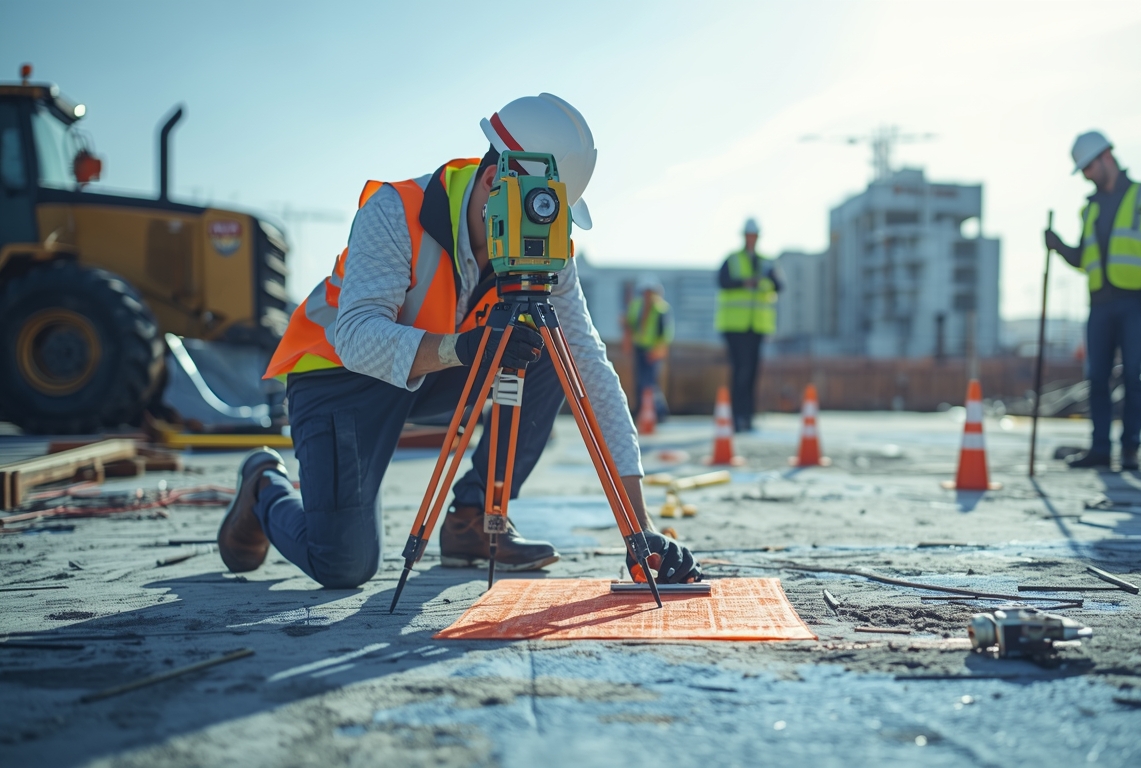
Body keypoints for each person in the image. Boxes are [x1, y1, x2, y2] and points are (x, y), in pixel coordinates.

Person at [216, 94, 700, 589]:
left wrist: (641, 530)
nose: (546, 228)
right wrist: (459, 349)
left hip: (437, 371)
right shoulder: (395, 213)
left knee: (554, 358)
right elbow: (357, 337)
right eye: (540, 210)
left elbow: (591, 370)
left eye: (552, 214)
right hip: (341, 378)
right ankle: (264, 486)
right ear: (494, 183)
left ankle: (473, 518)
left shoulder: (547, 252)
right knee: (343, 562)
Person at [1045, 130, 1141, 471]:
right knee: (1097, 378)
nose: (1087, 176)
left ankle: (1130, 450)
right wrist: (1059, 246)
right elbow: (1083, 259)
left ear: (1106, 157)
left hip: (1136, 303)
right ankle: (1100, 450)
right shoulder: (1090, 209)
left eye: (1088, 167)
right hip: (1100, 306)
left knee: (1133, 377)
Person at [714, 218, 782, 432]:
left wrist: (764, 281)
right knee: (740, 370)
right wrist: (744, 282)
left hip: (757, 326)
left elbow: (780, 285)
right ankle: (736, 416)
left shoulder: (766, 262)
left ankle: (748, 416)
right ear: (744, 236)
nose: (751, 239)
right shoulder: (733, 259)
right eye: (748, 235)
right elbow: (721, 281)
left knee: (752, 371)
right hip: (735, 327)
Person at [625, 275, 672, 422]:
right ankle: (642, 411)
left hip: (653, 350)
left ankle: (658, 412)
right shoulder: (636, 306)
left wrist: (658, 350)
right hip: (639, 347)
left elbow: (666, 333)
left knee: (650, 382)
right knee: (640, 381)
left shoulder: (661, 309)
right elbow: (630, 326)